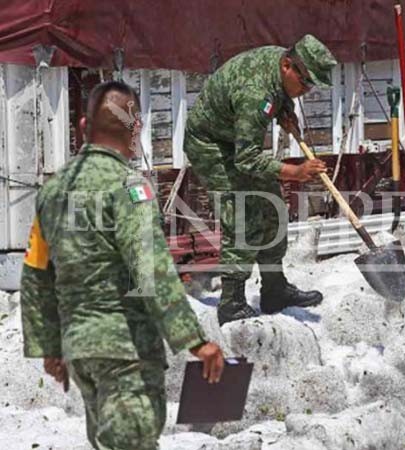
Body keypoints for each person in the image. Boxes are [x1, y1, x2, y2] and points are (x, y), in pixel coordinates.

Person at [20, 81, 224, 450]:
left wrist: (50, 347)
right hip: (126, 350)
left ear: (83, 126)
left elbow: (36, 275)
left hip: (81, 351)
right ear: (136, 130)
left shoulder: (52, 191)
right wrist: (194, 340)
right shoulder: (129, 187)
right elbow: (151, 267)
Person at [184, 35, 336, 325]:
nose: (306, 90)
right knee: (244, 214)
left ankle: (275, 290)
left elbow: (277, 95)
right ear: (287, 66)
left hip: (235, 139)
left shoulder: (279, 64)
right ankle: (231, 303)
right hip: (211, 145)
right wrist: (295, 172)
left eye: (311, 86)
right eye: (304, 83)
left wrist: (285, 111)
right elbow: (246, 159)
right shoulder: (256, 94)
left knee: (273, 208)